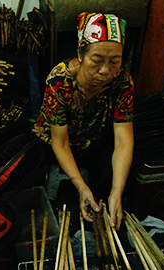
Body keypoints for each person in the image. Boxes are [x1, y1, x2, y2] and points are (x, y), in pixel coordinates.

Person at [32, 12, 134, 230]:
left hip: (93, 141)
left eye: (115, 62)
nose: (106, 71)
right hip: (55, 141)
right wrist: (80, 185)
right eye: (97, 61)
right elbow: (60, 142)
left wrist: (117, 190)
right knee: (30, 162)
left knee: (112, 173)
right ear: (80, 54)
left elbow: (124, 140)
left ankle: (98, 218)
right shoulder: (59, 80)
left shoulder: (123, 83)